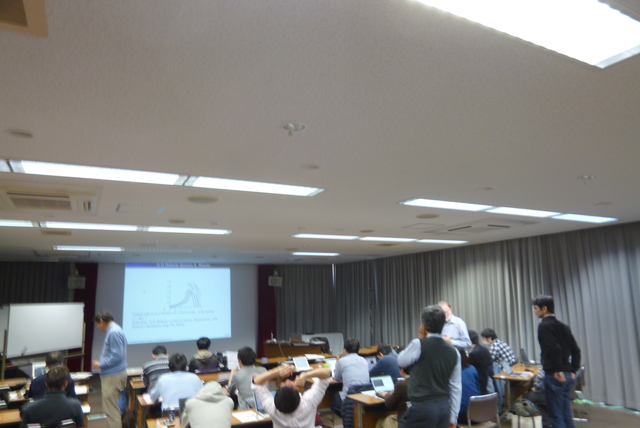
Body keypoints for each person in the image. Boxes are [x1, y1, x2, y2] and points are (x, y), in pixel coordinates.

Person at [397, 305, 461, 428]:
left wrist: (420, 338)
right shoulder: (454, 352)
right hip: (443, 408)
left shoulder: (418, 344)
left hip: (422, 409)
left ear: (423, 326)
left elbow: (401, 361)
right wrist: (453, 418)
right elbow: (456, 387)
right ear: (443, 325)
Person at [533, 295, 581, 428]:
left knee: (556, 417)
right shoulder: (563, 326)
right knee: (566, 415)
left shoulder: (544, 325)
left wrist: (559, 371)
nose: (534, 311)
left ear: (544, 308)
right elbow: (576, 350)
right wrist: (573, 370)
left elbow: (554, 349)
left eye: (536, 308)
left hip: (555, 375)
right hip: (567, 375)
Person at [252, 365, 332, 428]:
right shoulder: (309, 401)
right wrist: (306, 374)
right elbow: (328, 373)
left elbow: (256, 382)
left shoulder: (272, 408)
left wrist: (277, 371)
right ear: (298, 393)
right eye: (290, 384)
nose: (288, 381)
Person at [93, 310, 128, 428]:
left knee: (112, 412)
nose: (98, 328)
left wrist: (101, 364)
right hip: (114, 375)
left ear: (101, 321)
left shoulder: (113, 332)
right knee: (110, 411)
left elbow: (117, 356)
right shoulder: (115, 330)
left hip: (113, 376)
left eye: (97, 325)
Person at [331, 338, 370, 416]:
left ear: (345, 350)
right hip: (364, 396)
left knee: (333, 402)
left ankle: (347, 417)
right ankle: (353, 418)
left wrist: (337, 362)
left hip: (350, 396)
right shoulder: (363, 360)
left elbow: (337, 378)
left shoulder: (342, 361)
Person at [455, 347, 480, 425]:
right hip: (480, 413)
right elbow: (478, 389)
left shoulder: (452, 374)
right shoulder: (472, 369)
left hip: (463, 416)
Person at [467, 330, 494, 394]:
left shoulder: (474, 353)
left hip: (481, 381)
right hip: (487, 377)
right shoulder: (483, 348)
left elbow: (467, 364)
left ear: (469, 341)